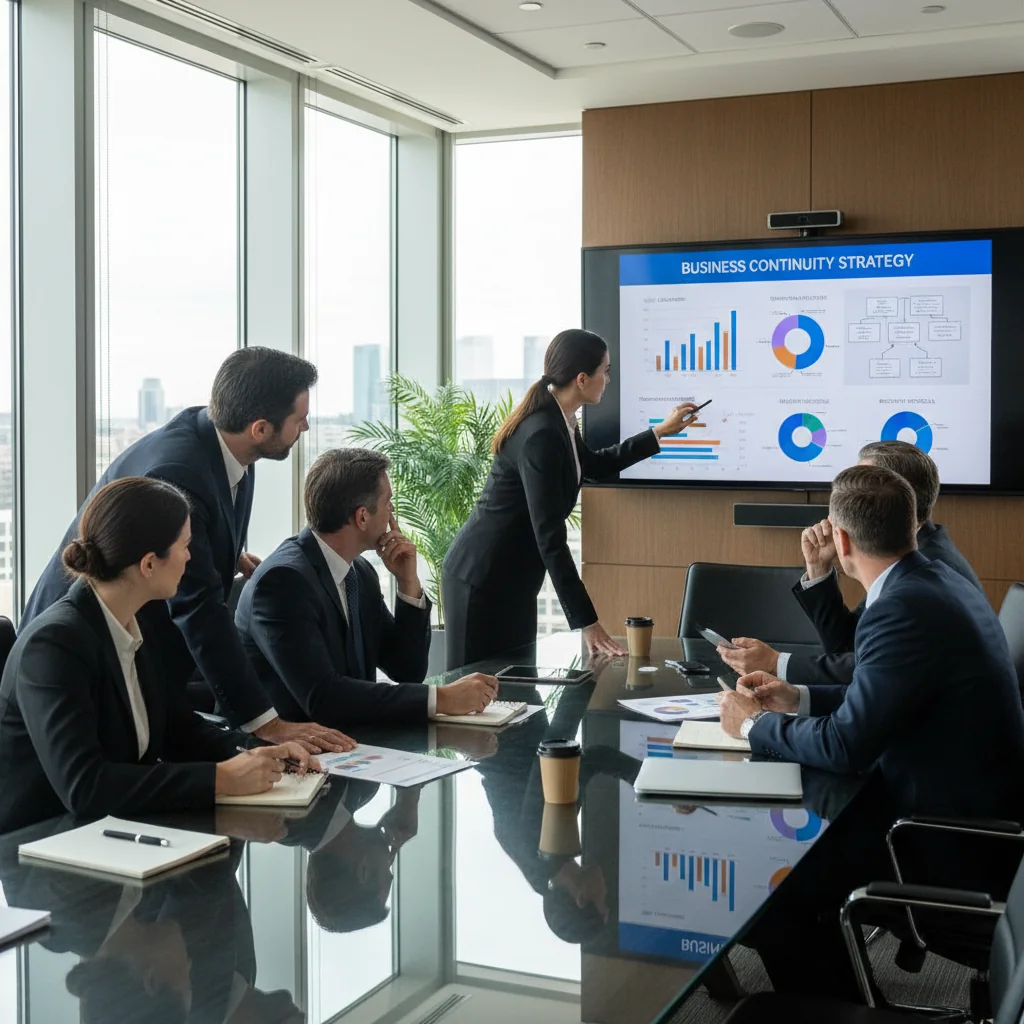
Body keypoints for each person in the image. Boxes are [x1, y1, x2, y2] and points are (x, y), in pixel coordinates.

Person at [22, 347, 352, 754]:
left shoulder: (222, 442)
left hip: (138, 654)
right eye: (300, 417)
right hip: (81, 651)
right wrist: (266, 723)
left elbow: (204, 542)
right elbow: (197, 608)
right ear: (260, 428)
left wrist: (228, 557)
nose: (306, 425)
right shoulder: (180, 474)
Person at [0, 477, 320, 834]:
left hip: (110, 834)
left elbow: (176, 727)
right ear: (149, 564)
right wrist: (219, 779)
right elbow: (85, 786)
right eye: (185, 545)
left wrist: (255, 750)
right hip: (38, 849)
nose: (191, 556)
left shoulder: (137, 620)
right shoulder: (55, 644)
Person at [717, 464, 1024, 819]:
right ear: (911, 524)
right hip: (979, 803)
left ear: (842, 540)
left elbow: (845, 747)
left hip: (942, 829)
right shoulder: (936, 579)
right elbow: (882, 692)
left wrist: (751, 724)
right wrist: (797, 698)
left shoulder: (901, 607)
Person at [442, 329, 699, 667]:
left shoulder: (561, 421)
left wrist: (659, 432)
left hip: (513, 582)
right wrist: (587, 622)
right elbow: (550, 538)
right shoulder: (542, 435)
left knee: (515, 689)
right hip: (481, 579)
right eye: (605, 371)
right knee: (473, 696)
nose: (608, 379)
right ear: (582, 379)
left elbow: (593, 465)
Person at [235, 448, 499, 726]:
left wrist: (408, 583)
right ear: (362, 517)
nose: (392, 512)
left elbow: (406, 669)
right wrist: (442, 699)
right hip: (281, 755)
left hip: (349, 743)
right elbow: (324, 698)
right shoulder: (284, 582)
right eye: (388, 502)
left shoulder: (358, 573)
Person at [718, 440, 984, 688]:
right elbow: (850, 646)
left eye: (863, 487)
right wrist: (819, 568)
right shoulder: (910, 553)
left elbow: (866, 668)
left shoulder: (928, 570)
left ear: (896, 496)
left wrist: (776, 664)